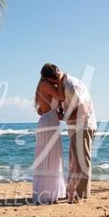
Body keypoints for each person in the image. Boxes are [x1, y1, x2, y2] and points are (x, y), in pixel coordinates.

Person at [40, 63, 96, 203]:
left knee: (82, 161)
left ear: (50, 79)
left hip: (83, 125)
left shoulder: (70, 85)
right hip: (75, 126)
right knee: (73, 161)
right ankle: (71, 191)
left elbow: (82, 109)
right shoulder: (65, 84)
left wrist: (64, 117)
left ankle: (81, 194)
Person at [32, 76, 66, 204]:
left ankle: (52, 191)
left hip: (52, 122)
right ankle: (46, 192)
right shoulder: (45, 84)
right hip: (48, 123)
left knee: (54, 157)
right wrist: (60, 81)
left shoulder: (48, 86)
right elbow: (61, 97)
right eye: (55, 75)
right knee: (47, 157)